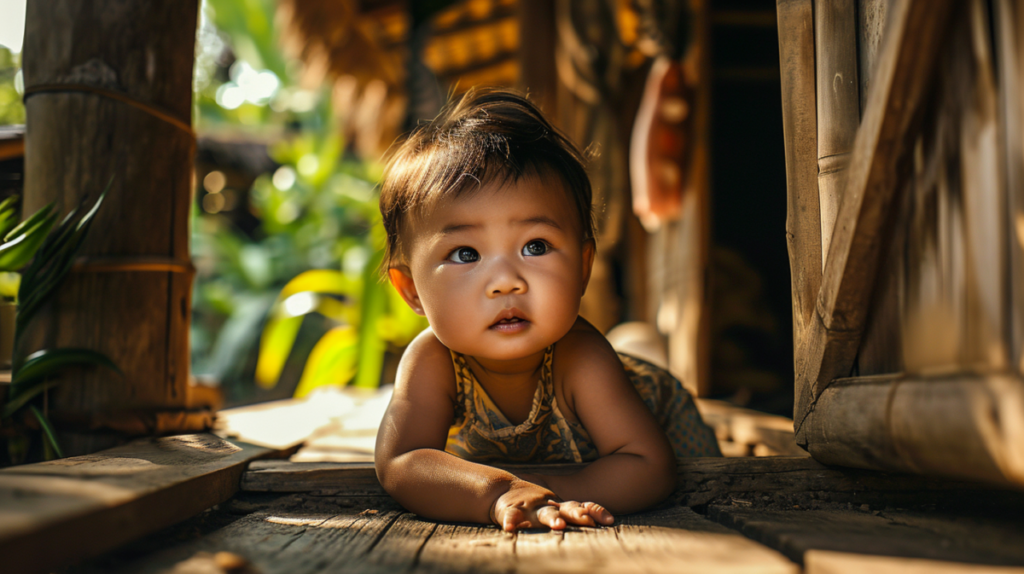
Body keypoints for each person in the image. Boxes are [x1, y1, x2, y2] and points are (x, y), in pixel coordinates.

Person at [374, 88, 720, 533]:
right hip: (558, 476)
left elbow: (649, 468)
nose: (506, 281)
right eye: (465, 254)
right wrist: (500, 491)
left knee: (713, 491)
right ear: (412, 291)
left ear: (582, 266)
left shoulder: (580, 355)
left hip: (667, 431)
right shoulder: (432, 361)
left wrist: (529, 487)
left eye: (535, 246)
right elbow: (401, 462)